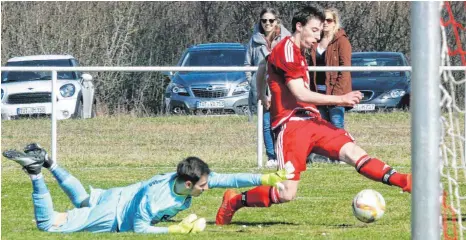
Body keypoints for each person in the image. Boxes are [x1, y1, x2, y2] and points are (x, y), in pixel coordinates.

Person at [216, 6, 412, 225]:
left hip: (313, 122)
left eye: (321, 31)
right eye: (315, 30)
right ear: (299, 27)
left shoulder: (293, 49)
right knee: (285, 193)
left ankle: (406, 181)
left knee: (353, 152)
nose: (318, 36)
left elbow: (263, 65)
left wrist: (262, 93)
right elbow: (299, 93)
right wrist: (341, 99)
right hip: (291, 126)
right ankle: (234, 201)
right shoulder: (287, 51)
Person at [3, 143, 293, 234]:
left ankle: (47, 161)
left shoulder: (182, 178)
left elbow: (228, 179)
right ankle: (34, 173)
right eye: (203, 186)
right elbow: (140, 229)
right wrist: (174, 231)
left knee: (82, 198)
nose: (208, 188)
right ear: (190, 184)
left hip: (117, 194)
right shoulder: (157, 200)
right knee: (46, 225)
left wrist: (266, 178)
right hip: (113, 214)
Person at [245, 8, 291, 168]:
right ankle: (271, 157)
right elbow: (248, 64)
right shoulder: (254, 40)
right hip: (262, 91)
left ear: (277, 21)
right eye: (264, 20)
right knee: (265, 124)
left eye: (271, 20)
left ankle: (282, 154)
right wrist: (255, 86)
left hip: (281, 90)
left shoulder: (287, 39)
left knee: (280, 123)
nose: (267, 24)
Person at [307, 7, 352, 164]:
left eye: (329, 20)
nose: (325, 23)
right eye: (323, 20)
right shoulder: (315, 41)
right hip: (318, 92)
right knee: (322, 126)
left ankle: (344, 156)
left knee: (337, 125)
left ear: (335, 23)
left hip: (335, 92)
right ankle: (327, 156)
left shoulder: (342, 41)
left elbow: (345, 70)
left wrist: (337, 96)